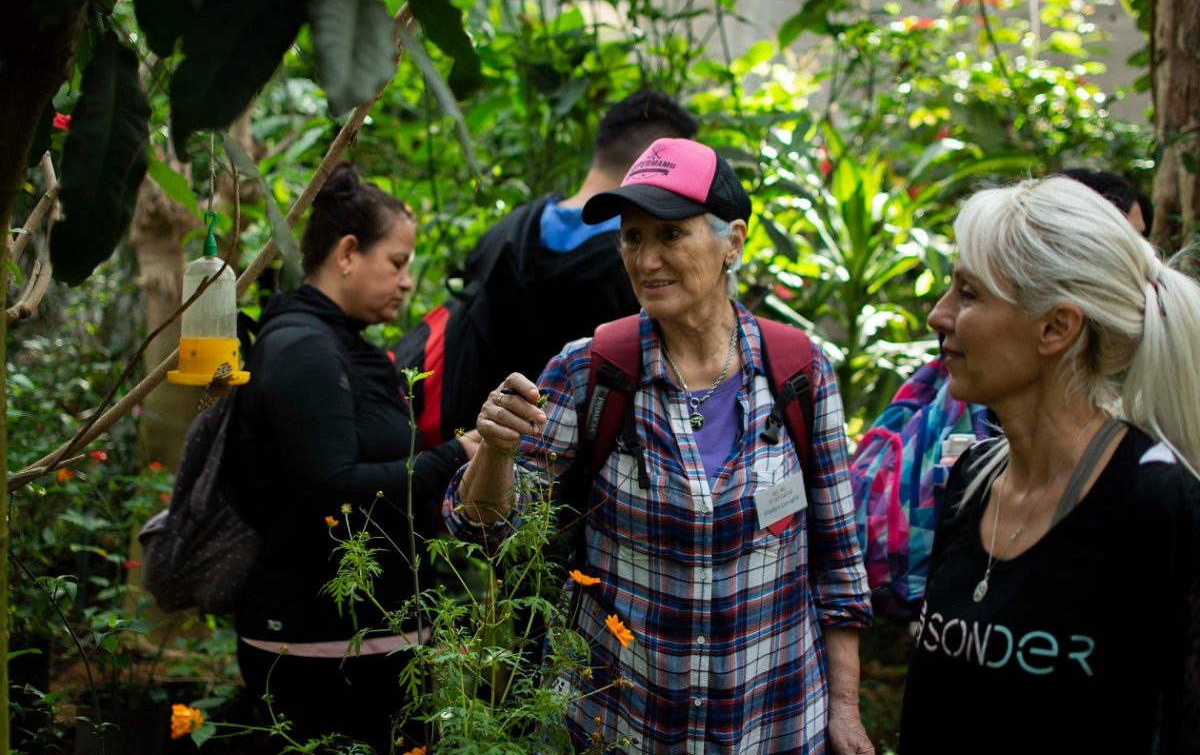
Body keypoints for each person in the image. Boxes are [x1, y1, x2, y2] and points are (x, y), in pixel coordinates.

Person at [445, 138, 874, 753]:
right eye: (632, 238)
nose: (646, 260)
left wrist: (847, 709)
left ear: (733, 241)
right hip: (619, 724)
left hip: (772, 721)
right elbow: (485, 530)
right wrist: (495, 451)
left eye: (670, 235)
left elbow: (837, 559)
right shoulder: (588, 372)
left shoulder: (799, 372)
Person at [899, 176, 1200, 753]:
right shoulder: (972, 481)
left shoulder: (1156, 498)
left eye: (969, 294)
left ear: (1056, 328)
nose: (939, 317)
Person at [226, 163, 478, 752]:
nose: (408, 281)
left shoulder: (335, 342)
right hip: (322, 651)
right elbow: (332, 485)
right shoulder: (305, 349)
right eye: (397, 262)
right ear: (346, 253)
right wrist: (454, 457)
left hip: (364, 642)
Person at [391, 88, 697, 448]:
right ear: (660, 166)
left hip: (463, 444)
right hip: (559, 464)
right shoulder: (647, 271)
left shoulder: (508, 231)